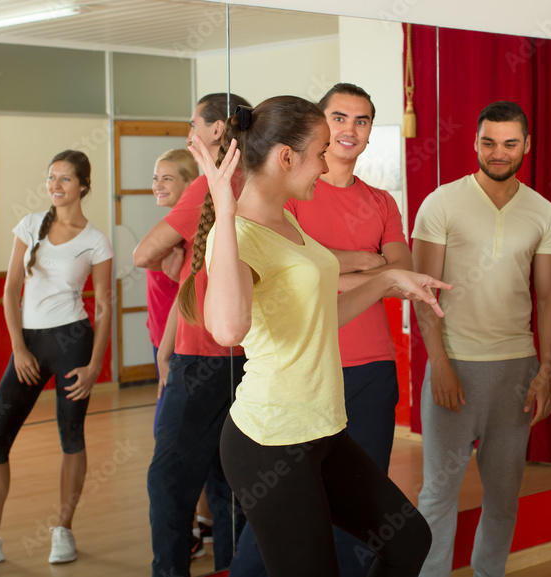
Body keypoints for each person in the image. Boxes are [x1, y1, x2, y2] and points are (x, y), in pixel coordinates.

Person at [188, 95, 438, 577]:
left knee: (407, 541)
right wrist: (224, 208)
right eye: (320, 152)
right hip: (270, 439)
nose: (325, 165)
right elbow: (228, 328)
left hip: (322, 428)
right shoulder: (236, 234)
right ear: (286, 158)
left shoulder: (289, 223)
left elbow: (323, 314)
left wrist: (389, 282)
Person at [412, 101, 551, 577]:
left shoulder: (544, 213)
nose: (499, 153)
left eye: (510, 143)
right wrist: (438, 361)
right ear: (475, 142)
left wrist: (546, 371)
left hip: (516, 371)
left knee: (503, 496)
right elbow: (422, 290)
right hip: (452, 366)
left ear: (527, 146)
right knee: (438, 493)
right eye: (489, 142)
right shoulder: (441, 202)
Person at [0, 150, 113, 569]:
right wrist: (18, 347)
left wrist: (94, 363)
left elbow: (103, 306)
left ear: (83, 185)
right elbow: (11, 290)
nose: (56, 185)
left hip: (72, 343)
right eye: (51, 178)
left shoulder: (95, 240)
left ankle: (63, 529)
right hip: (28, 344)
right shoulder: (30, 226)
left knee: (71, 436)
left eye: (65, 179)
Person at [134, 92, 252, 577]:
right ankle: (231, 567)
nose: (189, 135)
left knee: (169, 481)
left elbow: (143, 253)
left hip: (203, 358)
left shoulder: (208, 188)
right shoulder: (258, 183)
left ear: (219, 130)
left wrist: (176, 257)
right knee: (230, 483)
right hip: (249, 358)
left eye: (194, 125)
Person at [146, 148, 198, 431]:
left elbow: (183, 296)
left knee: (166, 430)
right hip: (160, 338)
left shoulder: (186, 235)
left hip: (177, 344)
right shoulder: (167, 229)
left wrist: (164, 354)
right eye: (156, 178)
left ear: (190, 185)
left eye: (167, 179)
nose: (158, 185)